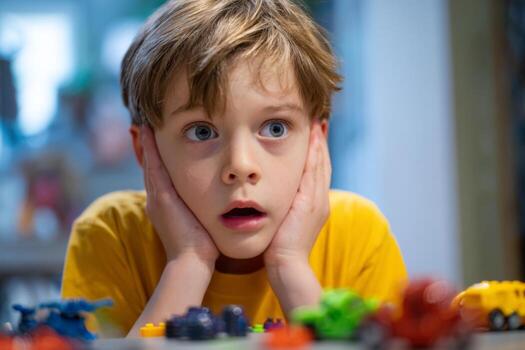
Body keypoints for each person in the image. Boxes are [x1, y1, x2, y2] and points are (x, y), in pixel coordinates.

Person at [61, 0, 407, 338]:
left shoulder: (358, 235)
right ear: (145, 151)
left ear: (316, 144)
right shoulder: (110, 235)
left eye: (275, 128)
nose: (241, 166)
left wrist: (290, 266)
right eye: (201, 132)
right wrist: (188, 263)